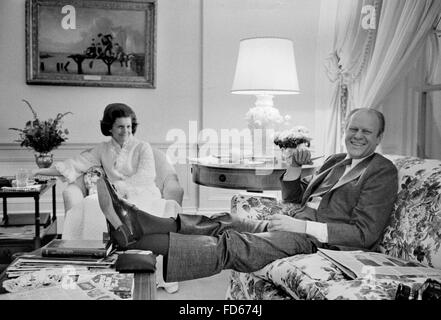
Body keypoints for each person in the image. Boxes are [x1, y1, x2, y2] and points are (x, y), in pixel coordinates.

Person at [97, 108, 398, 283]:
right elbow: (297, 199)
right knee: (220, 221)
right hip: (290, 223)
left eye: (366, 132)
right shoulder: (336, 160)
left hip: (319, 241)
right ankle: (135, 220)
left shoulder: (381, 171)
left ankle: (135, 239)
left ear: (379, 137)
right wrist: (294, 168)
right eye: (353, 129)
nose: (357, 136)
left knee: (233, 243)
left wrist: (303, 227)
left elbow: (364, 233)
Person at [33, 103, 182, 292]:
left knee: (138, 211)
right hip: (112, 197)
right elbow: (76, 164)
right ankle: (95, 269)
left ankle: (157, 273)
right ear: (109, 127)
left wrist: (117, 189)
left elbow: (145, 176)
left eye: (128, 126)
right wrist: (42, 170)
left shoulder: (143, 147)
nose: (125, 131)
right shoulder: (102, 149)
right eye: (120, 126)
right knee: (89, 206)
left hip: (143, 193)